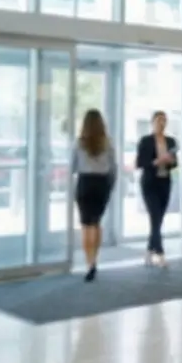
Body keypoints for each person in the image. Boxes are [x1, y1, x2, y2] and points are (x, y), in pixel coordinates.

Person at [72, 109, 117, 282]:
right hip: (102, 184)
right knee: (96, 223)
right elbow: (114, 167)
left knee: (85, 225)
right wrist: (110, 186)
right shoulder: (108, 143)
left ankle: (89, 263)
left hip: (85, 182)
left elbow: (73, 166)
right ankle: (95, 260)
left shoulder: (79, 143)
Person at [136, 111, 178, 267]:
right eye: (159, 120)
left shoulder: (171, 141)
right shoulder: (146, 141)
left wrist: (169, 161)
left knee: (158, 219)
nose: (162, 123)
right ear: (152, 122)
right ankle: (160, 253)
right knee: (155, 216)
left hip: (165, 182)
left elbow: (175, 164)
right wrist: (157, 161)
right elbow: (140, 163)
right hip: (149, 184)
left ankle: (149, 250)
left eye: (164, 120)